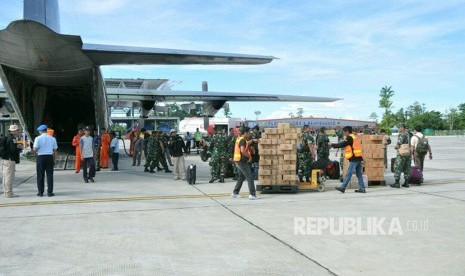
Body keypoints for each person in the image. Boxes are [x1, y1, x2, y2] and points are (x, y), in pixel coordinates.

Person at [329, 126, 366, 193]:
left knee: (349, 173)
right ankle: (362, 188)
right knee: (359, 174)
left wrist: (332, 145)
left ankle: (343, 187)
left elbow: (342, 144)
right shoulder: (354, 137)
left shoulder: (349, 137)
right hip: (358, 157)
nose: (343, 133)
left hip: (354, 158)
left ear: (347, 131)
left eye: (344, 132)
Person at [231, 127, 258, 200]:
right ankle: (252, 194)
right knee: (249, 176)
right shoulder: (243, 140)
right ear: (245, 133)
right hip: (241, 161)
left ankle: (235, 193)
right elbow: (242, 150)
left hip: (237, 161)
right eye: (249, 132)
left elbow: (245, 144)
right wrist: (249, 156)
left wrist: (252, 141)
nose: (249, 134)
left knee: (241, 177)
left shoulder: (240, 139)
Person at [33, 124, 58, 197]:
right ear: (46, 130)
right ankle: (50, 192)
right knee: (50, 175)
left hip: (40, 157)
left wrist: (35, 153)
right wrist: (54, 160)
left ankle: (40, 192)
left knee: (40, 175)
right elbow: (55, 150)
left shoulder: (38, 138)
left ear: (41, 131)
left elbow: (35, 149)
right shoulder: (52, 138)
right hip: (49, 157)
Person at [2, 124, 21, 198]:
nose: (18, 131)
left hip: (4, 159)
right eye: (17, 130)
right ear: (13, 131)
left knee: (5, 177)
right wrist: (19, 148)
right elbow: (13, 150)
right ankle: (9, 193)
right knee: (9, 177)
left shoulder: (6, 137)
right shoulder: (12, 139)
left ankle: (6, 192)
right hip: (10, 160)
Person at [391, 123, 411, 188]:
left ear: (402, 128)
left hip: (402, 153)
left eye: (399, 128)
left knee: (397, 167)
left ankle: (397, 183)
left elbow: (399, 143)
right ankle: (406, 183)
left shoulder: (402, 134)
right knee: (407, 167)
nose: (398, 129)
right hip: (408, 153)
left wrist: (396, 147)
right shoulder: (408, 134)